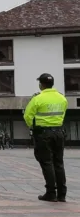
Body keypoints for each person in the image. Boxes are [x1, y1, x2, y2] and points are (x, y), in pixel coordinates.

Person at [24, 73, 68, 202]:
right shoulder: (62, 98)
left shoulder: (38, 99)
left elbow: (27, 116)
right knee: (58, 163)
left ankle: (51, 193)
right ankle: (62, 194)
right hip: (59, 133)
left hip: (43, 133)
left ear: (41, 84)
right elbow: (63, 114)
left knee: (47, 162)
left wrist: (32, 127)